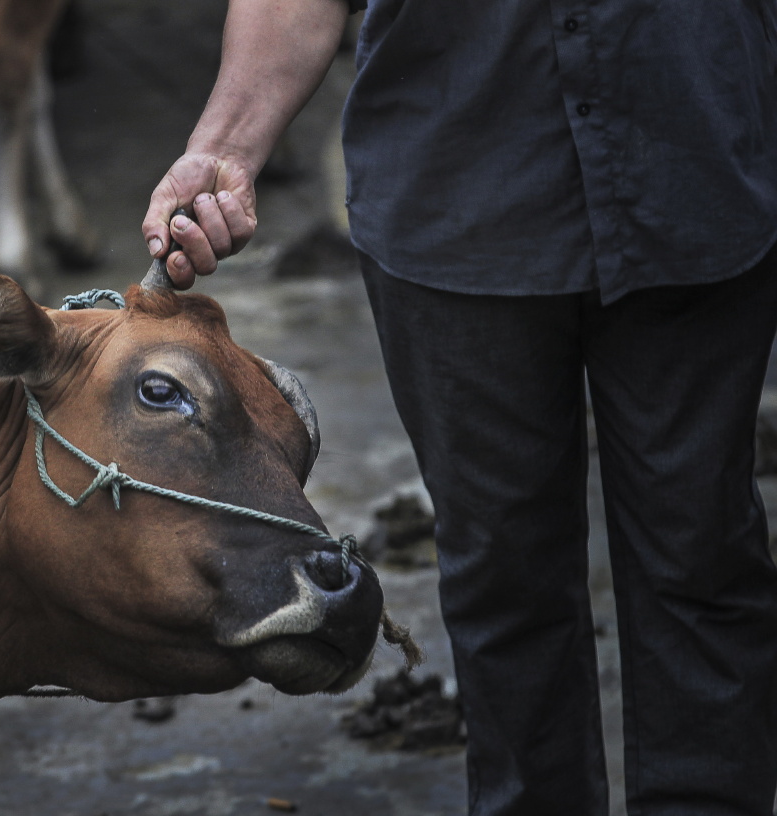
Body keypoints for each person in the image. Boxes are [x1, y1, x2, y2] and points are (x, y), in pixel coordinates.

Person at [141, 1, 777, 814]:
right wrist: (224, 147)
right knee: (505, 578)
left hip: (694, 168)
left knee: (702, 557)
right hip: (456, 201)